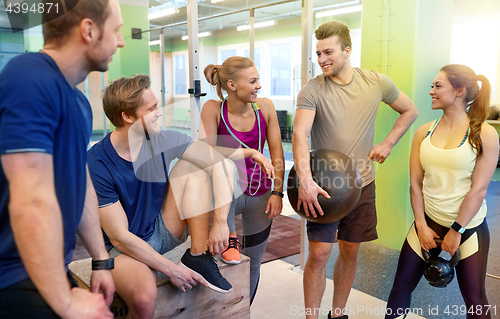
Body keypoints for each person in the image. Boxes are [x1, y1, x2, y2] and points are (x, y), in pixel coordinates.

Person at [87, 74, 274, 319]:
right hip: (122, 248)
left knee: (195, 168)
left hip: (162, 228)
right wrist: (170, 270)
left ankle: (197, 255)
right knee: (144, 298)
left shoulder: (162, 139)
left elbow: (219, 161)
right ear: (128, 117)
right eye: (152, 109)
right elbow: (120, 238)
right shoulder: (97, 163)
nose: (160, 113)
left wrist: (220, 222)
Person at [0, 0, 124, 318]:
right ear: (89, 29)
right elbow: (30, 201)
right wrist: (67, 305)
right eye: (117, 31)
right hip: (11, 275)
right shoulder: (28, 77)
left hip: (47, 264)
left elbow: (78, 184)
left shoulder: (78, 101)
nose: (120, 42)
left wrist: (100, 260)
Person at [292, 20, 418, 319]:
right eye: (318, 53)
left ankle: (338, 314)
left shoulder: (375, 82)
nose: (322, 59)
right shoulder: (312, 90)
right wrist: (306, 180)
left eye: (328, 52)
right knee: (320, 252)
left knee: (350, 251)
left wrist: (388, 143)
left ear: (347, 50)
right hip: (323, 186)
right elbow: (299, 134)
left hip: (362, 183)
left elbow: (409, 110)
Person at [385, 65, 498, 319]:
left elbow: (479, 190)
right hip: (427, 224)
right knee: (400, 288)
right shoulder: (423, 132)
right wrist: (421, 226)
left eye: (438, 86)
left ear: (459, 91)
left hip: (468, 229)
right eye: (432, 86)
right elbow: (415, 184)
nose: (431, 91)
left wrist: (456, 231)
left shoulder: (484, 134)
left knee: (475, 300)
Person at [200, 56, 285, 304]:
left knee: (254, 262)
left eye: (258, 79)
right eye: (253, 81)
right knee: (220, 260)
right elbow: (209, 154)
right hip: (226, 194)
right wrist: (251, 152)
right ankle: (219, 309)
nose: (259, 85)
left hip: (260, 194)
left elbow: (277, 152)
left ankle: (243, 310)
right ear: (232, 85)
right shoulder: (213, 109)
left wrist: (278, 193)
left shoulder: (265, 108)